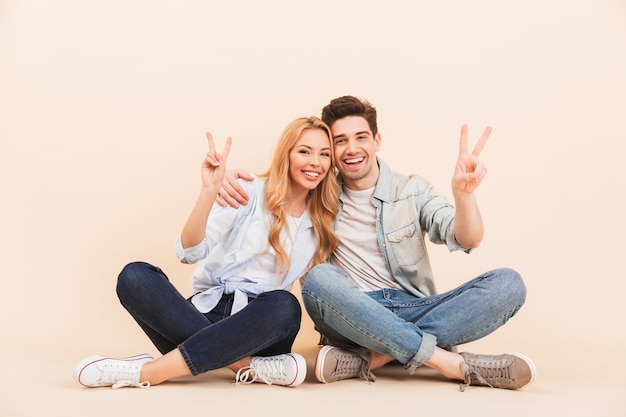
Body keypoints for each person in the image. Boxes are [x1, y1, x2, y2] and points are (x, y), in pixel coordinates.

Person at [217, 95, 536, 391]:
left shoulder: (412, 190)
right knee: (319, 280)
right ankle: (449, 363)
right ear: (330, 150)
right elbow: (272, 189)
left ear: (377, 140)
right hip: (350, 315)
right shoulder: (315, 193)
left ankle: (372, 357)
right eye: (340, 141)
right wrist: (228, 182)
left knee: (509, 284)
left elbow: (468, 237)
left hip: (414, 306)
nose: (351, 149)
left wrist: (464, 196)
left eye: (360, 137)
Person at [73, 116, 340, 389]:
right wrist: (209, 191)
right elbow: (189, 252)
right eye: (304, 151)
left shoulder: (322, 221)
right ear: (287, 154)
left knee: (286, 305)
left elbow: (314, 291)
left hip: (262, 328)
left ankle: (149, 372)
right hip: (203, 314)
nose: (315, 163)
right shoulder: (246, 191)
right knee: (134, 276)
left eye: (324, 154)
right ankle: (245, 366)